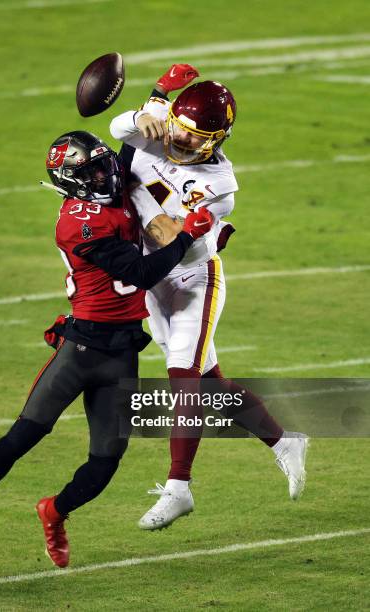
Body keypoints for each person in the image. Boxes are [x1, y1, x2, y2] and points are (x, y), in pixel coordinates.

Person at [0, 131, 215, 568]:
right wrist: (185, 238)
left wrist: (158, 95)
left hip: (123, 348)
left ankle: (55, 511)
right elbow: (140, 273)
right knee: (24, 436)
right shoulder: (78, 223)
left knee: (106, 460)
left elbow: (131, 142)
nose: (106, 175)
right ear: (70, 180)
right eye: (91, 171)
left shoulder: (112, 184)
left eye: (103, 166)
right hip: (82, 346)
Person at [110, 65, 309, 530]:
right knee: (211, 384)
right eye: (179, 132)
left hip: (191, 281)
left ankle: (179, 487)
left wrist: (138, 199)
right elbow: (116, 129)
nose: (180, 144)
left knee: (184, 378)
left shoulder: (220, 187)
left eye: (196, 139)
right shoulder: (159, 131)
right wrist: (143, 114)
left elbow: (175, 245)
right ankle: (284, 443)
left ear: (219, 139)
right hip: (153, 282)